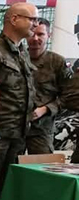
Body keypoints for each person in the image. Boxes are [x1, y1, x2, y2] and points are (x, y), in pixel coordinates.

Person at [0, 2, 39, 197]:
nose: (36, 24)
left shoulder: (23, 51)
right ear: (14, 19)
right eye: (32, 19)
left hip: (19, 132)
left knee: (8, 190)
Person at [25, 18, 73, 154]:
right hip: (13, 129)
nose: (35, 38)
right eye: (32, 34)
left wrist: (46, 109)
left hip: (41, 128)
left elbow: (68, 96)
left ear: (49, 35)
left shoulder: (57, 62)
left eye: (40, 34)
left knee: (42, 164)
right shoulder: (16, 58)